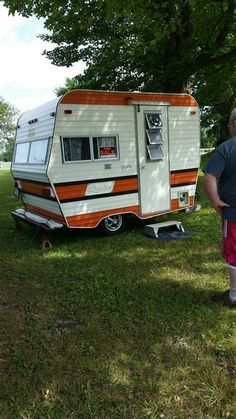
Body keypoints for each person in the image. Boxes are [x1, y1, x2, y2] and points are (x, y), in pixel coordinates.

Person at [204, 109, 236, 307]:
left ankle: (234, 296)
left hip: (233, 214)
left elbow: (209, 177)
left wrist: (215, 200)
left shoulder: (226, 148)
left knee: (234, 253)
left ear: (234, 123)